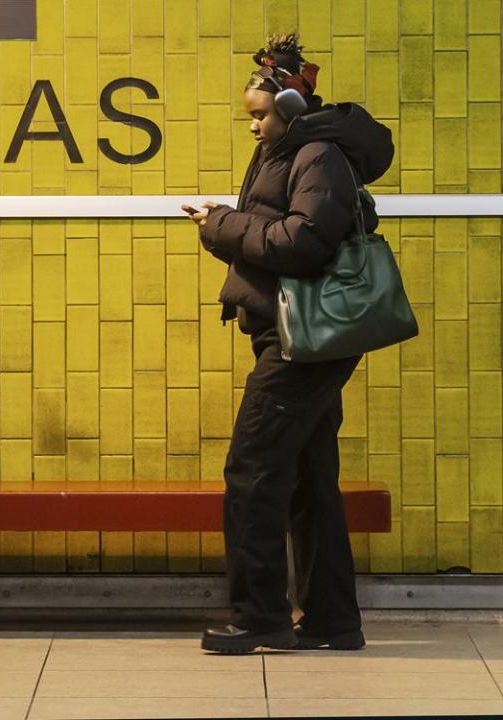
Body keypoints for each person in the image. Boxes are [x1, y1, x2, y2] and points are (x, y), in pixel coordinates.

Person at [184, 33, 394, 654]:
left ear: (290, 108)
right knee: (307, 476)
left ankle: (259, 617)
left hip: (304, 340)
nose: (252, 127)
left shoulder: (317, 154)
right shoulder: (291, 152)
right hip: (293, 333)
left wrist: (219, 224)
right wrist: (230, 218)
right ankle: (332, 620)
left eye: (258, 115)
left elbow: (303, 242)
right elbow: (283, 227)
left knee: (252, 471)